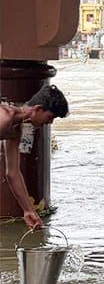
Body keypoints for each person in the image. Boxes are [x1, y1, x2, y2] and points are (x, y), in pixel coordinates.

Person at [0, 84, 69, 230]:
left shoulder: (14, 128)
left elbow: (12, 173)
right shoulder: (5, 117)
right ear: (37, 109)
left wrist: (29, 210)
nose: (50, 122)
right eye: (50, 117)